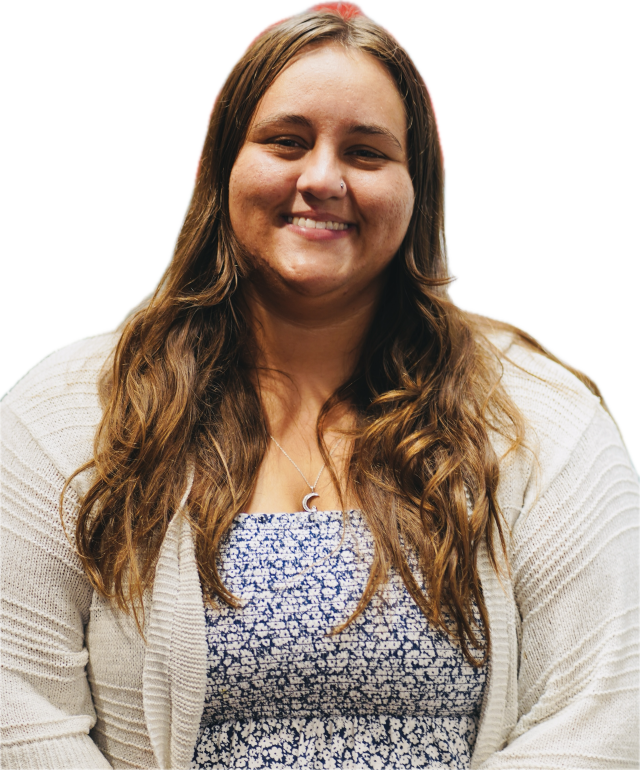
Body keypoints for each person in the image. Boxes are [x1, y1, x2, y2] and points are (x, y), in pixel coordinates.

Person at [1, 2, 639, 768]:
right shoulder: (67, 417)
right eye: (286, 141)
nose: (323, 179)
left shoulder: (541, 418)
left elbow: (604, 713)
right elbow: (21, 714)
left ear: (420, 192)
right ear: (220, 168)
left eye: (367, 153)